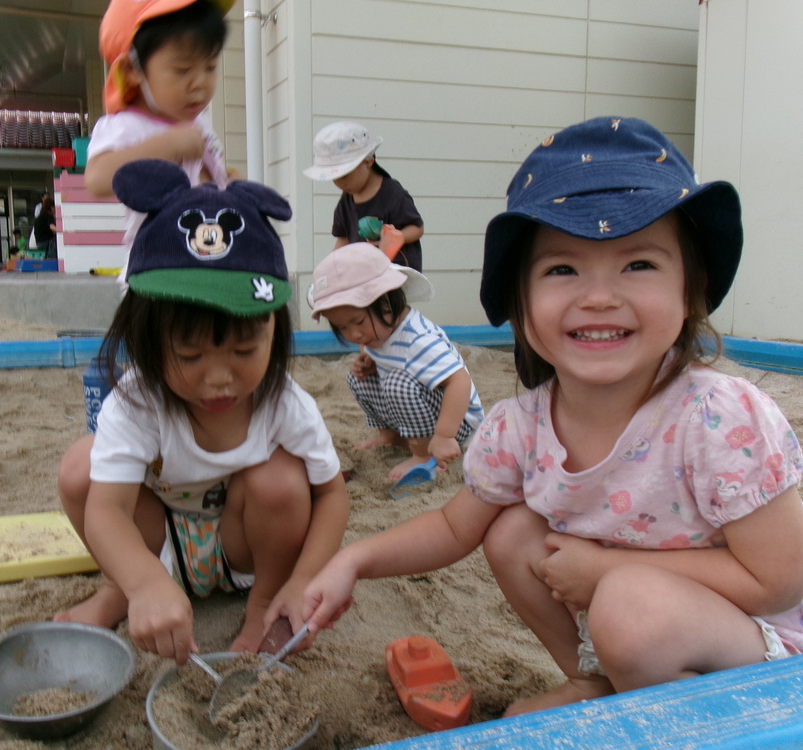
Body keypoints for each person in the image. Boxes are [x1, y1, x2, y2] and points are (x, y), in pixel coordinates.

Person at [301, 116, 803, 717]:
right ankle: (593, 679)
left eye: (639, 264)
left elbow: (778, 581)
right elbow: (455, 529)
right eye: (562, 269)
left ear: (689, 288)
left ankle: (656, 705)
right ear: (520, 299)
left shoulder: (718, 417)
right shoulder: (520, 427)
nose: (599, 296)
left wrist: (608, 569)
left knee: (627, 607)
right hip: (633, 622)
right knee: (511, 532)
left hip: (756, 658)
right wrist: (352, 560)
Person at [55, 159, 349, 663]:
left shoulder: (283, 403)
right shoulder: (138, 401)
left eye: (244, 350)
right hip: (159, 545)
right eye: (189, 355)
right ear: (145, 338)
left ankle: (264, 603)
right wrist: (143, 581)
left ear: (274, 331)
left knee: (280, 480)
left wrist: (302, 581)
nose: (219, 378)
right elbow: (107, 511)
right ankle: (120, 590)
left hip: (244, 550)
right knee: (81, 467)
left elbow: (331, 495)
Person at [87, 0, 235, 291]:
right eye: (182, 70)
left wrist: (229, 186)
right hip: (156, 273)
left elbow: (206, 179)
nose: (200, 83)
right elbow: (97, 179)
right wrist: (166, 146)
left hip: (210, 263)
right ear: (132, 69)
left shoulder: (200, 123)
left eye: (210, 67)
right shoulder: (127, 126)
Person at [310, 242, 484, 481]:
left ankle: (423, 454)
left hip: (456, 420)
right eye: (342, 327)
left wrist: (445, 436)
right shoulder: (380, 334)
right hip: (420, 412)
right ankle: (391, 436)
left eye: (359, 322)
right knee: (357, 378)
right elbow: (392, 360)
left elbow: (459, 381)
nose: (354, 334)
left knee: (397, 382)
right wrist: (373, 362)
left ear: (387, 303)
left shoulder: (418, 339)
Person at [304, 121, 425, 272]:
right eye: (335, 178)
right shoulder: (346, 202)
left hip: (397, 275)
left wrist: (399, 237)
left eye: (345, 175)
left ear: (368, 162)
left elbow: (417, 228)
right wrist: (331, 267)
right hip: (365, 274)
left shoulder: (393, 194)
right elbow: (343, 239)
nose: (340, 183)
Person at [32, 194, 58, 259]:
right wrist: (62, 231)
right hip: (46, 242)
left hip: (39, 242)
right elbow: (52, 227)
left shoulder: (39, 216)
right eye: (54, 207)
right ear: (51, 207)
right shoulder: (49, 215)